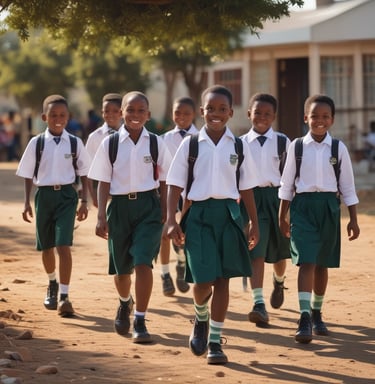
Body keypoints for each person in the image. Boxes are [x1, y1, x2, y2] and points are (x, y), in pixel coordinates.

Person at [165, 85, 260, 365]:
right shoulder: (191, 144)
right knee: (203, 280)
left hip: (230, 216)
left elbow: (247, 188)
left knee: (223, 280)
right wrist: (171, 219)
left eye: (222, 109)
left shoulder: (239, 146)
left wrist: (254, 222)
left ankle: (216, 341)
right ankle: (200, 315)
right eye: (210, 109)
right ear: (202, 111)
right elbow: (174, 183)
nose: (216, 114)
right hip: (199, 215)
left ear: (231, 112)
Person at [88, 91, 172, 343]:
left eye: (141, 111)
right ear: (122, 112)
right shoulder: (110, 143)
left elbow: (167, 179)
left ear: (148, 114)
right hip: (120, 208)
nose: (135, 115)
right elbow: (102, 181)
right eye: (130, 110)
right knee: (122, 271)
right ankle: (125, 302)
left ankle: (140, 319)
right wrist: (101, 215)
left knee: (143, 262)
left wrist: (166, 212)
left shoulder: (156, 143)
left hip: (149, 207)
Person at [278, 94, 360, 344]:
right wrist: (283, 215)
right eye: (314, 116)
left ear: (332, 120)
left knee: (322, 264)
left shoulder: (338, 148)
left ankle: (316, 312)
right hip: (303, 208)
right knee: (306, 262)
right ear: (306, 118)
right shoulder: (297, 146)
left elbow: (347, 185)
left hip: (328, 208)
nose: (319, 121)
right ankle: (303, 318)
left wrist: (353, 219)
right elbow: (286, 183)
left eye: (325, 116)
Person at [16, 94, 91, 317]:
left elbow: (85, 174)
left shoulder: (76, 143)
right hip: (44, 196)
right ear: (44, 117)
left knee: (63, 245)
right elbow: (28, 174)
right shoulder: (36, 143)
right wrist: (26, 202)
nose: (58, 119)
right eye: (53, 115)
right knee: (46, 246)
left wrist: (84, 200)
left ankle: (65, 296)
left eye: (62, 115)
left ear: (68, 117)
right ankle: (52, 283)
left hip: (67, 196)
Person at [241, 93, 291, 326]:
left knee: (280, 252)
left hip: (277, 198)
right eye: (257, 112)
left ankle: (279, 280)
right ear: (249, 113)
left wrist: (288, 210)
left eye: (267, 114)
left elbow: (290, 177)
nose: (262, 117)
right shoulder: (239, 143)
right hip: (250, 198)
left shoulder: (283, 142)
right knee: (256, 250)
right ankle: (258, 303)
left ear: (274, 116)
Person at [159, 96, 199, 296]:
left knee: (185, 236)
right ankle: (165, 274)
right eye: (177, 113)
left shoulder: (201, 138)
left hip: (191, 193)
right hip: (168, 191)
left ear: (195, 115)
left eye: (186, 113)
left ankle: (181, 264)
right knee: (165, 233)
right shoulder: (164, 139)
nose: (181, 117)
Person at [86, 93, 123, 207]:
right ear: (102, 113)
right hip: (105, 194)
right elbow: (88, 170)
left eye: (115, 111)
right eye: (106, 111)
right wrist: (93, 196)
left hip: (126, 192)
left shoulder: (131, 135)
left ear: (122, 112)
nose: (110, 114)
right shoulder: (95, 137)